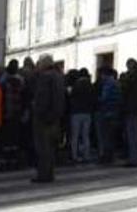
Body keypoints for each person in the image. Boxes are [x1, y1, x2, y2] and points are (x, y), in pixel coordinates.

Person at [32, 55, 66, 183]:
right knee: (51, 148)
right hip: (55, 117)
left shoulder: (45, 77)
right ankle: (49, 173)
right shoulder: (59, 76)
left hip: (44, 118)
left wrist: (37, 109)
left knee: (43, 147)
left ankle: (43, 174)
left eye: (39, 63)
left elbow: (43, 98)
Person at [68, 68, 96, 163]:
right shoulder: (91, 85)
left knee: (75, 135)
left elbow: (71, 98)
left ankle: (74, 156)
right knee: (86, 135)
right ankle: (86, 155)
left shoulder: (76, 85)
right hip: (87, 113)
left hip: (76, 112)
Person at [96, 67, 121, 164]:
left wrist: (97, 99)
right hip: (115, 111)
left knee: (106, 136)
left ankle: (107, 157)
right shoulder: (116, 83)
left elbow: (104, 98)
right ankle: (111, 156)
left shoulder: (108, 84)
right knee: (111, 136)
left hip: (107, 112)